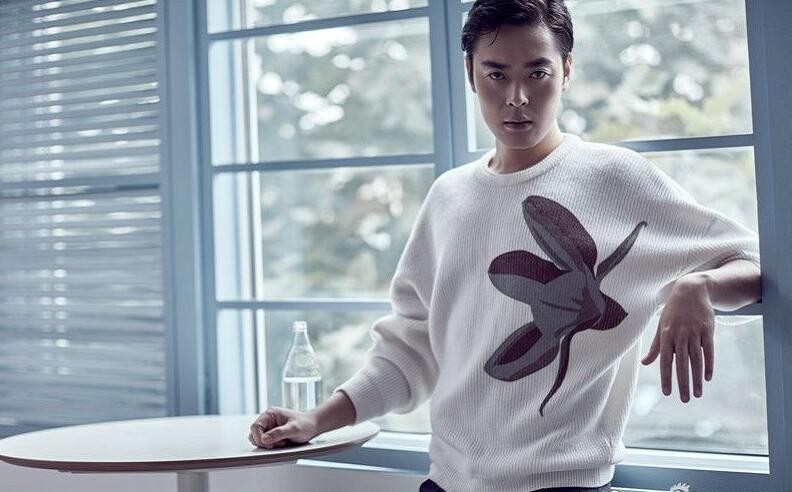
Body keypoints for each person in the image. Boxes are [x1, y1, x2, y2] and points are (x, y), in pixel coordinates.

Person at [249, 1, 762, 491]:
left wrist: (698, 286)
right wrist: (315, 420)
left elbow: (755, 262)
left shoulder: (615, 178)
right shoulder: (449, 198)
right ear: (471, 73)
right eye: (496, 74)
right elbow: (409, 348)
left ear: (566, 71)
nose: (517, 97)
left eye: (537, 73)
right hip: (447, 482)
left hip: (563, 485)